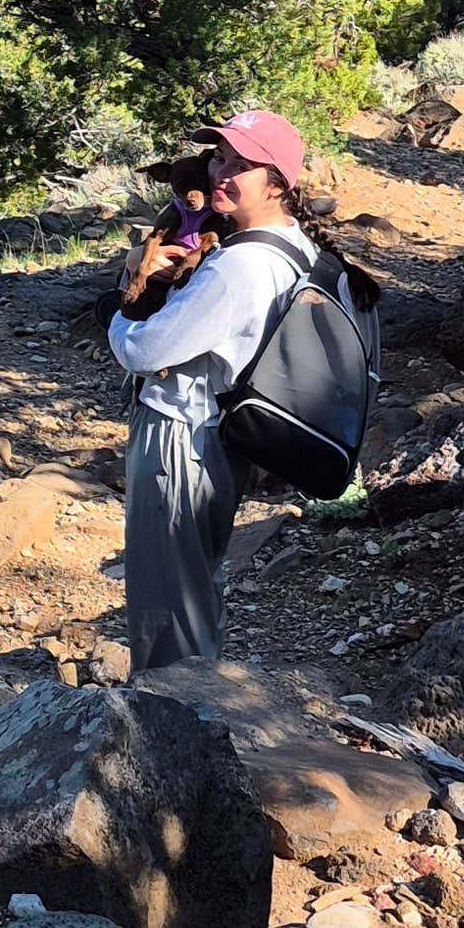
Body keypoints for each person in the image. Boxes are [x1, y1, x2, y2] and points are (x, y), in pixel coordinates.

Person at [108, 106, 318, 672]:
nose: (221, 173)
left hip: (180, 436)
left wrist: (123, 305)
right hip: (221, 438)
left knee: (167, 599)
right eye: (220, 158)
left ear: (277, 184)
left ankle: (170, 707)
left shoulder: (239, 266)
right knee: (194, 582)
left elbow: (144, 350)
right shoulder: (292, 245)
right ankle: (202, 698)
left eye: (241, 165)